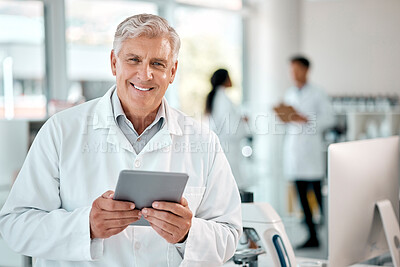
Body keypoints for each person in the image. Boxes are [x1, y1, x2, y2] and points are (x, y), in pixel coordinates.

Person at [0, 14, 242, 266]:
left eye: (158, 63)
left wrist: (188, 233)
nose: (145, 74)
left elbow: (229, 233)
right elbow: (16, 225)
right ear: (114, 63)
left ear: (173, 72)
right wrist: (87, 226)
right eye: (134, 60)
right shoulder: (61, 131)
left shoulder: (203, 141)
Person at [281, 55, 334, 249]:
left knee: (319, 198)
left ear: (306, 70)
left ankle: (332, 234)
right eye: (291, 70)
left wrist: (307, 119)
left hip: (311, 155)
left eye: (296, 70)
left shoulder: (318, 93)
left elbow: (329, 119)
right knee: (302, 199)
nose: (293, 74)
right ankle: (312, 236)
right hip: (295, 154)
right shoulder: (289, 94)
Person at [205, 69, 250, 190]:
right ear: (224, 79)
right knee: (234, 183)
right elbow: (230, 127)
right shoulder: (223, 99)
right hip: (228, 146)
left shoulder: (218, 97)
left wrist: (239, 119)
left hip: (225, 145)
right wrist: (242, 122)